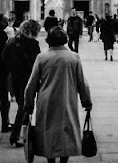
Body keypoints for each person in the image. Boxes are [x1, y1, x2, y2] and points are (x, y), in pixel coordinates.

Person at [24, 27, 93, 163]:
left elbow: (32, 83)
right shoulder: (73, 57)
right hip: (66, 99)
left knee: (48, 131)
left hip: (47, 100)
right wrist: (86, 101)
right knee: (66, 131)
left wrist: (28, 104)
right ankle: (63, 160)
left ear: (49, 40)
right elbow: (82, 82)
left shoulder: (42, 57)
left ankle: (50, 160)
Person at [2, 19, 41, 148]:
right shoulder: (33, 44)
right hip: (27, 78)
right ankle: (17, 135)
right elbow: (37, 63)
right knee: (25, 106)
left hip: (13, 77)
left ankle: (24, 132)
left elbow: (4, 58)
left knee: (22, 105)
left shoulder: (11, 42)